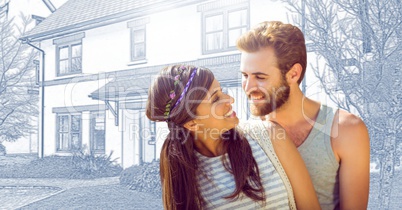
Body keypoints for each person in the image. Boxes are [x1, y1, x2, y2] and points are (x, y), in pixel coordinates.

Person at [237, 21, 370, 210]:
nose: (248, 88)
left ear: (293, 74)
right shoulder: (245, 135)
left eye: (260, 77)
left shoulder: (346, 130)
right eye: (244, 75)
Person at [146, 64, 319, 209]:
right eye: (215, 99)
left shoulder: (270, 136)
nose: (229, 99)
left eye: (222, 91)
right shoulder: (183, 174)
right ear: (192, 123)